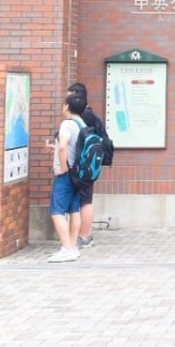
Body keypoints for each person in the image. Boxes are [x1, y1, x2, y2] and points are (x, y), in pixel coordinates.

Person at [47, 92, 86, 262]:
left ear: (67, 107)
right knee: (74, 210)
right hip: (79, 173)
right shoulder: (81, 124)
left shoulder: (67, 124)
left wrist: (62, 167)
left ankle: (66, 248)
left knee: (57, 211)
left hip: (67, 174)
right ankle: (73, 247)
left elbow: (63, 147)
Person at [68, 82, 106, 249]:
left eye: (69, 95)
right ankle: (84, 235)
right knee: (85, 199)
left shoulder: (84, 115)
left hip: (84, 164)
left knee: (84, 200)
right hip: (89, 163)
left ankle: (84, 236)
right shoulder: (89, 114)